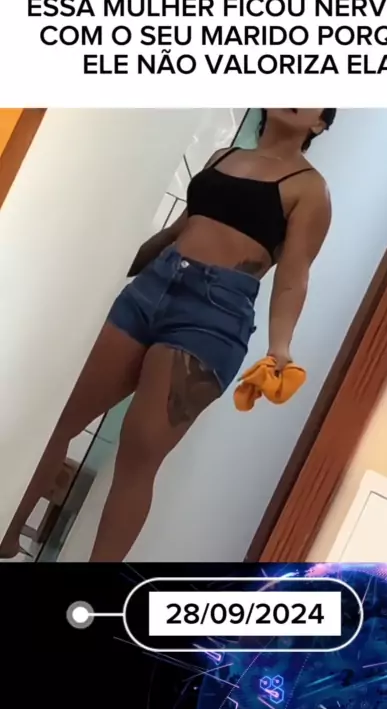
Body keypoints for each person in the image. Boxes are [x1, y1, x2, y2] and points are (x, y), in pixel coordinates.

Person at [0, 107, 335, 562]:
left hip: (213, 314)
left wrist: (280, 347)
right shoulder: (223, 156)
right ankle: (7, 532)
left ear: (319, 124)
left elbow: (294, 274)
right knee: (60, 417)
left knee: (138, 455)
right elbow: (180, 229)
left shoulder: (309, 189)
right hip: (153, 285)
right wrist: (113, 265)